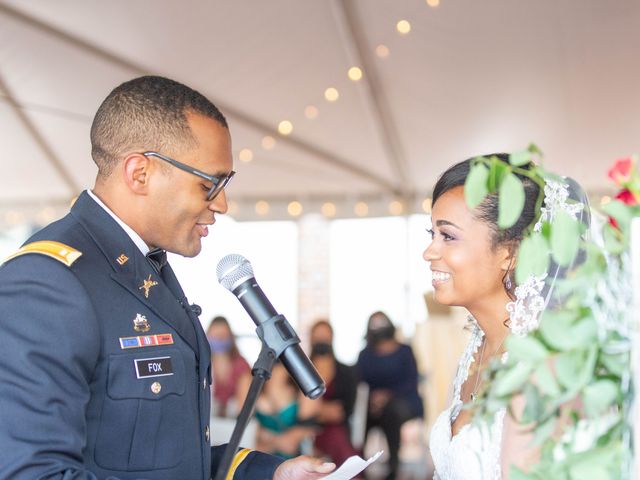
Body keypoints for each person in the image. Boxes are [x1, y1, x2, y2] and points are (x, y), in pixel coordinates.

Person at [0, 76, 334, 480]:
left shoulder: (146, 266)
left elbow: (164, 456)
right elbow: (33, 473)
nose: (222, 204)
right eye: (209, 184)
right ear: (139, 173)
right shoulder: (47, 282)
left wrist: (270, 474)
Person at [425, 155, 589, 479]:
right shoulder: (476, 352)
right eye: (431, 234)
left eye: (448, 236)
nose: (429, 252)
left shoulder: (543, 370)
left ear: (509, 253)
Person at [356, 311, 424, 480]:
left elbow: (411, 381)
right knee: (361, 417)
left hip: (403, 402)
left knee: (391, 413)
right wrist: (373, 400)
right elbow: (360, 383)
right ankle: (358, 466)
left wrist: (387, 396)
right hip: (372, 406)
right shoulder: (365, 355)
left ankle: (393, 466)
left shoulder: (405, 351)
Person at [308, 319, 359, 466]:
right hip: (307, 427)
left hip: (336, 428)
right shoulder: (300, 372)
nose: (321, 341)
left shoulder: (346, 372)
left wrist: (319, 411)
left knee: (338, 440)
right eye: (318, 337)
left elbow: (345, 409)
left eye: (325, 337)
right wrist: (321, 411)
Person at [255, 362, 319, 459]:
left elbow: (310, 428)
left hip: (295, 455)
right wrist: (276, 442)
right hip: (263, 454)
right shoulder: (252, 384)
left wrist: (272, 439)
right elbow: (249, 435)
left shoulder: (303, 387)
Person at [207, 316, 252, 418]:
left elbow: (244, 406)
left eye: (223, 336)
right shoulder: (202, 365)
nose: (219, 339)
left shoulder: (241, 365)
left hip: (233, 420)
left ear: (230, 338)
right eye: (215, 336)